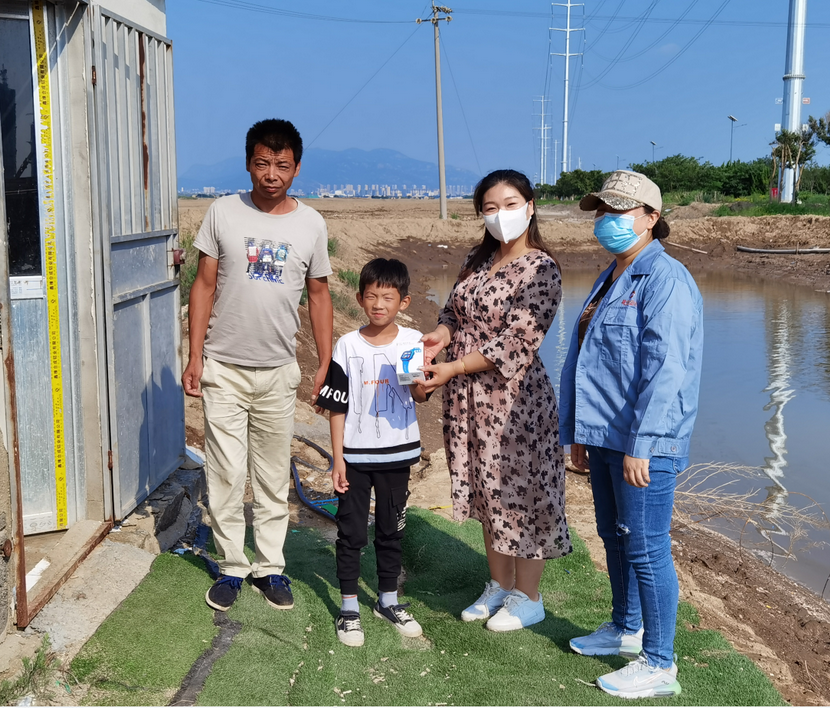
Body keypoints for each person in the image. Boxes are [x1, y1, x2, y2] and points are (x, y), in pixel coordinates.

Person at [559, 170, 703, 698]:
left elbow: (667, 370)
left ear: (650, 218)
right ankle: (625, 627)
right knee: (613, 534)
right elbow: (588, 361)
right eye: (602, 210)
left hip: (645, 442)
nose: (606, 220)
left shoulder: (666, 279)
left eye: (618, 211)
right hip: (604, 435)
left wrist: (643, 444)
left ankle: (660, 663)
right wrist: (578, 431)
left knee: (646, 546)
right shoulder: (611, 275)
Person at [182, 119, 333, 612]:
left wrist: (325, 362)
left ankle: (270, 567)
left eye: (282, 165)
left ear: (297, 168)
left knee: (270, 474)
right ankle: (232, 566)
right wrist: (195, 355)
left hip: (278, 371)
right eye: (263, 163)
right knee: (226, 471)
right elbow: (203, 285)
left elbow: (319, 295)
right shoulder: (223, 212)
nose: (272, 174)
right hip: (223, 368)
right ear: (248, 163)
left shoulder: (311, 224)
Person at [420, 169, 572, 633]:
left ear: (530, 207)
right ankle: (499, 585)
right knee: (486, 489)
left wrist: (454, 367)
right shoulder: (477, 258)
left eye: (509, 205)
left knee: (522, 493)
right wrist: (441, 335)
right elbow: (453, 311)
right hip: (469, 401)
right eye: (490, 208)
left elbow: (517, 342)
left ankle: (529, 596)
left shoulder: (541, 269)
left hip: (514, 402)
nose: (500, 215)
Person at [316, 258, 428, 647]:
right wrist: (338, 458)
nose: (379, 304)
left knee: (390, 530)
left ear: (404, 301)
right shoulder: (346, 346)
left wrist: (420, 382)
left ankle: (388, 601)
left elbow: (420, 394)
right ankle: (349, 608)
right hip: (356, 458)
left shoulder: (413, 341)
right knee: (350, 532)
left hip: (397, 456)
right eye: (371, 296)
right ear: (360, 298)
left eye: (388, 297)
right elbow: (337, 407)